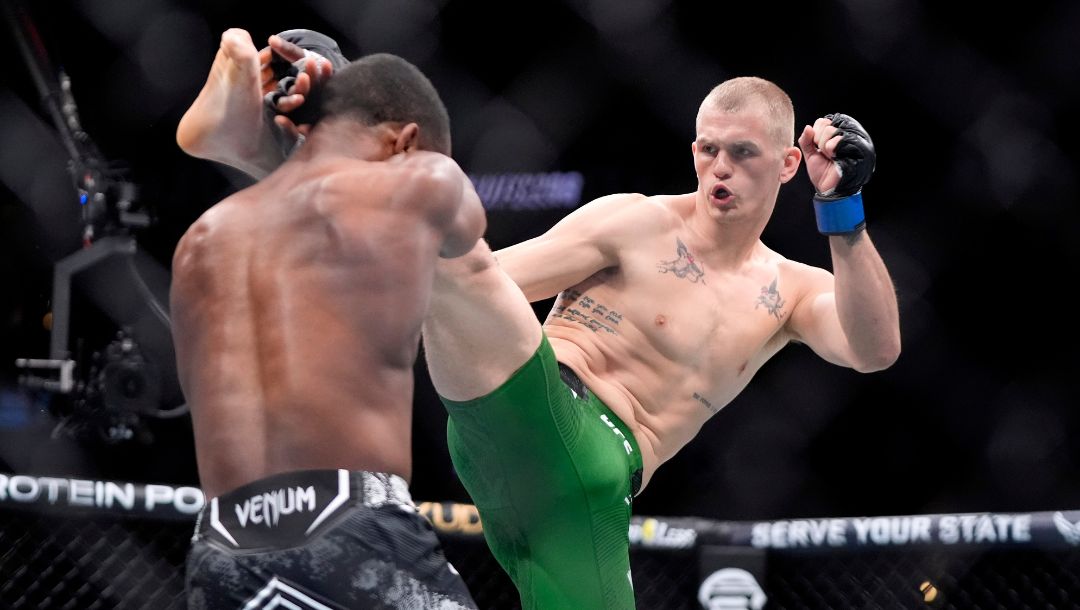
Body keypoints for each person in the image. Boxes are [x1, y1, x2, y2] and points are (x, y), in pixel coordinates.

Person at [187, 34, 901, 609]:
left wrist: (843, 215)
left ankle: (284, 152)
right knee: (454, 261)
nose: (720, 167)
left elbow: (874, 350)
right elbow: (499, 280)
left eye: (742, 153)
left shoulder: (790, 289)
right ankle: (311, 128)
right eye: (708, 148)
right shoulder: (634, 221)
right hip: (530, 402)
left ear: (784, 165)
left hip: (592, 495)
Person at [170, 28, 483, 609]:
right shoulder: (418, 182)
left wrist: (281, 144)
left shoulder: (201, 240)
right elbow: (465, 228)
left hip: (219, 547)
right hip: (349, 525)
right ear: (405, 140)